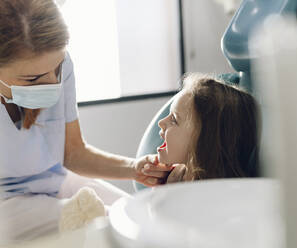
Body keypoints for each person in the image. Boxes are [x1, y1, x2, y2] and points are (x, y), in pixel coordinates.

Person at [0, 0, 171, 244]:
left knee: (138, 216)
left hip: (54, 181)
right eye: (34, 78)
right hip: (6, 205)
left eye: (56, 69)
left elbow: (73, 153)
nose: (52, 84)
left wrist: (134, 169)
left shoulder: (61, 64)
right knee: (109, 227)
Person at [153, 73, 261, 182]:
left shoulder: (217, 191)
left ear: (206, 142)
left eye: (174, 120)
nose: (161, 122)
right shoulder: (175, 173)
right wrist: (135, 167)